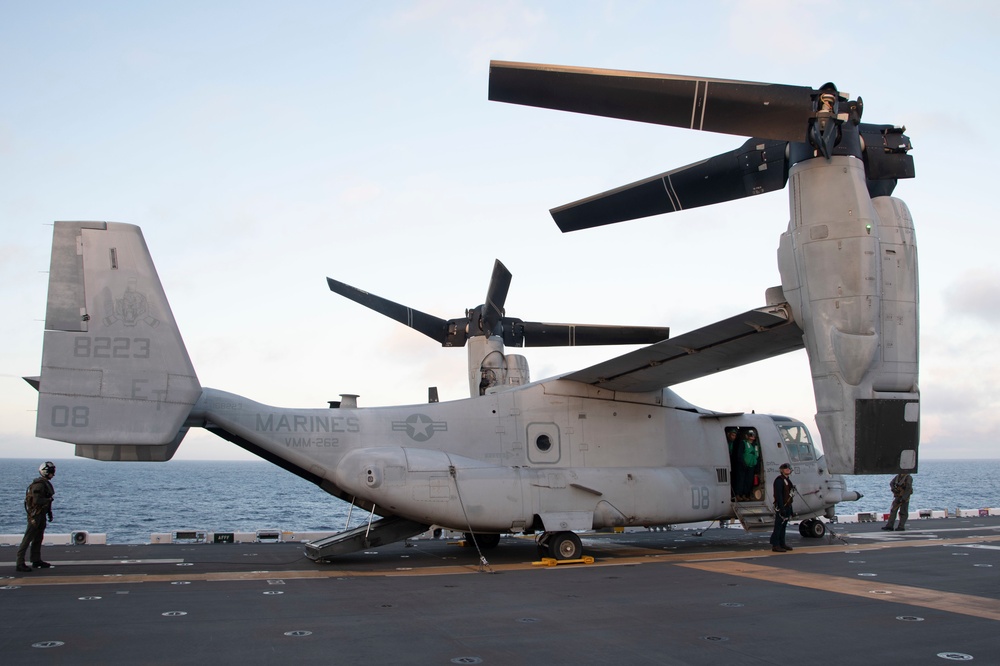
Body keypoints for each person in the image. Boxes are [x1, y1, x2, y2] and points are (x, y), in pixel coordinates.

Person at [16, 461, 56, 573]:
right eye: (51, 472)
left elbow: (47, 500)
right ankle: (19, 563)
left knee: (38, 538)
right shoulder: (39, 485)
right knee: (28, 538)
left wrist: (49, 512)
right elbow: (37, 501)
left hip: (41, 514)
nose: (53, 474)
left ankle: (36, 560)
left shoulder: (45, 484)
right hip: (35, 515)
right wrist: (48, 500)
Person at [770, 463, 795, 552]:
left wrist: (791, 509)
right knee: (778, 526)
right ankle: (775, 545)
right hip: (782, 506)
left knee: (783, 526)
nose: (787, 469)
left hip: (787, 506)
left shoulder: (788, 480)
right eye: (785, 468)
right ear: (781, 470)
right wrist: (781, 508)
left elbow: (790, 496)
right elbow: (779, 495)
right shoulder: (779, 480)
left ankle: (782, 543)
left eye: (789, 468)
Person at [733, 429, 761, 500]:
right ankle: (738, 494)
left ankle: (745, 495)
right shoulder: (743, 443)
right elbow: (739, 455)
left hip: (752, 466)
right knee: (741, 480)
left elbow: (757, 456)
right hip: (743, 465)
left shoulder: (755, 445)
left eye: (753, 435)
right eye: (750, 435)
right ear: (746, 436)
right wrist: (743, 463)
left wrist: (756, 468)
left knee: (748, 481)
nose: (752, 436)